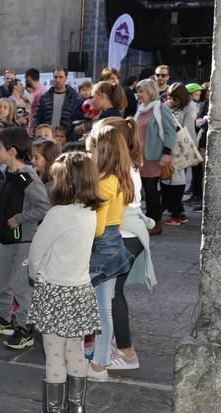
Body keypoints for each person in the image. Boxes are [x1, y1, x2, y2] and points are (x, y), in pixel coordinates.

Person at [27, 151, 102, 413]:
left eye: (56, 178)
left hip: (54, 291)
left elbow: (36, 253)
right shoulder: (90, 212)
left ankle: (55, 410)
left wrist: (37, 277)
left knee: (54, 354)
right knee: (76, 351)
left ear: (67, 182)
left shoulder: (58, 214)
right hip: (80, 290)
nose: (52, 183)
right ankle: (77, 407)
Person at [97, 117, 157, 372]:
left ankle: (126, 353)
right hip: (129, 233)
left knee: (111, 295)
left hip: (124, 234)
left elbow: (110, 212)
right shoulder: (126, 164)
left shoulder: (118, 169)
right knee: (111, 294)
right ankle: (112, 346)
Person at [0, 127, 50, 349]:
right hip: (4, 238)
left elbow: (43, 208)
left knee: (22, 286)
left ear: (11, 151)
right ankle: (4, 318)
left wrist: (21, 217)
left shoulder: (27, 177)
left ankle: (25, 328)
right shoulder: (3, 172)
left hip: (24, 241)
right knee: (1, 280)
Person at [84, 123, 135, 382]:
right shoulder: (119, 178)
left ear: (102, 151)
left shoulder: (103, 183)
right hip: (115, 243)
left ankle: (98, 365)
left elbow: (98, 227)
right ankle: (98, 359)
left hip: (102, 247)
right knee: (103, 309)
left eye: (91, 149)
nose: (89, 153)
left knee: (100, 310)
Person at [134, 78, 176, 235]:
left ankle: (155, 224)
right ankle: (149, 221)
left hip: (154, 157)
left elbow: (170, 132)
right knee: (145, 189)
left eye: (141, 91)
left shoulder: (160, 108)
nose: (138, 94)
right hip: (140, 158)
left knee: (151, 190)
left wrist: (166, 153)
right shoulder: (141, 109)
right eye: (138, 91)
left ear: (150, 92)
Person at [162, 83, 197, 226]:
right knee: (167, 178)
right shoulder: (167, 105)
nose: (171, 100)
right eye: (169, 97)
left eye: (174, 98)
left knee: (176, 178)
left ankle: (176, 214)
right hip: (170, 146)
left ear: (181, 98)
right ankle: (176, 211)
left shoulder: (190, 108)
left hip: (182, 147)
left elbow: (188, 131)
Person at [35, 67, 78, 139]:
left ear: (66, 78)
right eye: (55, 77)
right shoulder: (45, 97)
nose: (58, 80)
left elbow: (76, 117)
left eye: (61, 77)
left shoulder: (74, 97)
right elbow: (38, 117)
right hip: (47, 137)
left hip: (66, 137)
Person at [25, 67, 46, 139]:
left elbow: (38, 113)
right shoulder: (40, 91)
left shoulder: (39, 93)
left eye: (26, 79)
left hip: (34, 131)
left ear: (29, 78)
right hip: (34, 130)